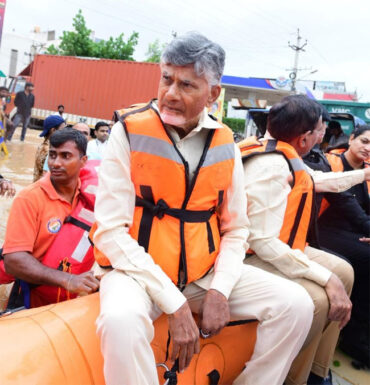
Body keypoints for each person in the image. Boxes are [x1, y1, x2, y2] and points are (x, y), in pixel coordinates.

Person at [92, 32, 314, 385]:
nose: (170, 94)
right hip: (136, 275)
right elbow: (110, 231)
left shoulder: (226, 143)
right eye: (166, 79)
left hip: (202, 273)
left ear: (213, 94)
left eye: (186, 85)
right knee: (120, 321)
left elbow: (236, 228)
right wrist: (174, 303)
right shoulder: (127, 132)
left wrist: (220, 289)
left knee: (297, 305)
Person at [238, 95, 369, 385]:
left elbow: (321, 182)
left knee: (344, 272)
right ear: (305, 138)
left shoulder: (286, 156)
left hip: (280, 246)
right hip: (252, 254)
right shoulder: (271, 167)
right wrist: (326, 279)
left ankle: (316, 370)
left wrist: (364, 174)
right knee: (321, 299)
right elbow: (262, 242)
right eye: (321, 129)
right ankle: (293, 378)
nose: (324, 134)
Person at [2, 129, 99, 308]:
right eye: (52, 155)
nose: (55, 163)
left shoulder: (89, 196)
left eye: (65, 156)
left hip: (69, 301)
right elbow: (13, 261)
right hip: (29, 298)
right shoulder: (29, 198)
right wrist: (68, 279)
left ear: (83, 161)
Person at [318, 125, 370, 368]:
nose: (367, 148)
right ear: (351, 138)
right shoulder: (331, 164)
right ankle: (354, 338)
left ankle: (360, 332)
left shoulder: (368, 172)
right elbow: (349, 207)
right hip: (323, 231)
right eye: (364, 141)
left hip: (355, 232)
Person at [33, 115, 66, 182]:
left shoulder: (46, 146)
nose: (65, 133)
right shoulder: (47, 150)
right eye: (62, 130)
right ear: (53, 130)